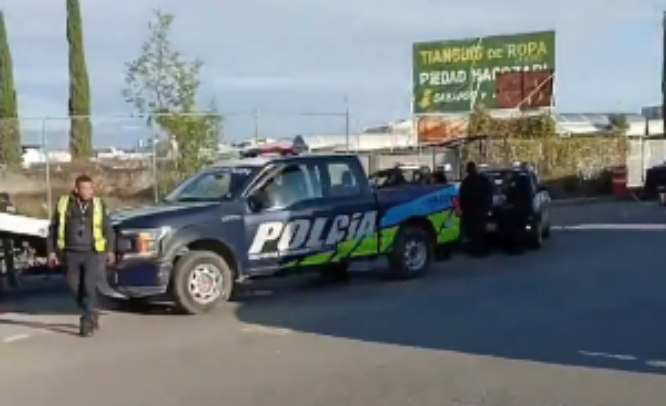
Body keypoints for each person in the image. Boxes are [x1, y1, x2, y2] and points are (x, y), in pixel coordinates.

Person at [46, 175, 115, 337]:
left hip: (92, 253)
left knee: (89, 287)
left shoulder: (98, 204)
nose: (88, 191)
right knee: (73, 287)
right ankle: (91, 311)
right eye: (84, 188)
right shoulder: (64, 203)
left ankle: (86, 322)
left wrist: (110, 250)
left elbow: (108, 229)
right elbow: (53, 229)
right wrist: (50, 251)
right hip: (70, 253)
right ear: (76, 189)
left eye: (90, 188)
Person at [459, 161, 493, 257]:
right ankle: (479, 250)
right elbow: (489, 193)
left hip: (474, 211)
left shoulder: (469, 181)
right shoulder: (480, 180)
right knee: (478, 231)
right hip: (476, 210)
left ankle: (478, 250)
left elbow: (462, 197)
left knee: (477, 231)